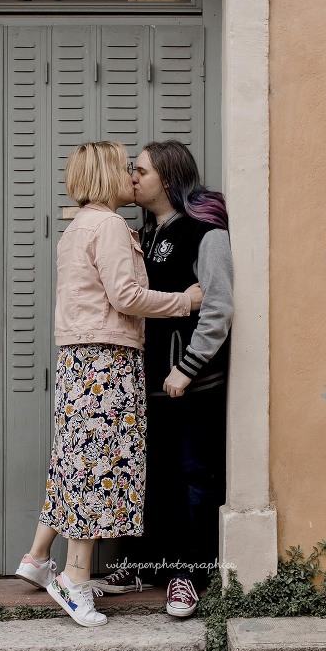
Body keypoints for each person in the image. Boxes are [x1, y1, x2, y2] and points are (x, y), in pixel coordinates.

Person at [15, 141, 202, 628]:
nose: (131, 176)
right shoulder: (112, 226)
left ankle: (37, 557)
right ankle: (75, 581)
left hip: (79, 359)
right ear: (104, 178)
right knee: (100, 466)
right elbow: (126, 296)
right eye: (123, 168)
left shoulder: (77, 228)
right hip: (107, 360)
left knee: (75, 459)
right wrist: (186, 301)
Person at [100, 141, 233, 619]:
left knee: (195, 477)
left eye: (141, 171)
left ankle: (190, 575)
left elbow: (218, 309)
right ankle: (147, 565)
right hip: (148, 380)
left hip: (191, 383)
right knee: (150, 476)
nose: (132, 178)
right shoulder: (144, 234)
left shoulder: (206, 234)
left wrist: (188, 367)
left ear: (168, 179)